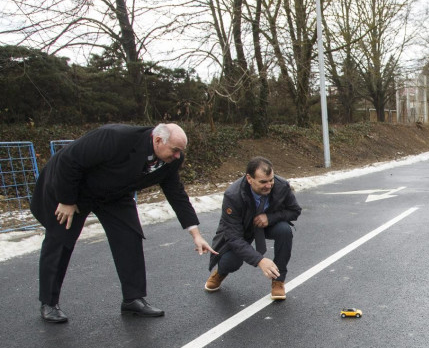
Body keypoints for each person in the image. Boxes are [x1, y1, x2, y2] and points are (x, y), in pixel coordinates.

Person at [30, 123, 215, 323]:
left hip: (114, 193)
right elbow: (69, 160)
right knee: (60, 239)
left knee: (129, 236)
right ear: (158, 140)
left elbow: (176, 193)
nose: (178, 156)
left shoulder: (171, 160)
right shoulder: (115, 138)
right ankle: (49, 303)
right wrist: (66, 200)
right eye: (175, 150)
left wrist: (195, 234)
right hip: (74, 187)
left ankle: (133, 299)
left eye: (181, 151)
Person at [204, 157, 301, 300]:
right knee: (232, 261)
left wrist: (270, 218)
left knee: (284, 230)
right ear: (249, 179)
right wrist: (260, 260)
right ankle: (221, 272)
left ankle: (278, 280)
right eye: (263, 182)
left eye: (271, 180)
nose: (268, 186)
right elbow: (233, 238)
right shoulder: (233, 196)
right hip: (241, 229)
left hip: (266, 225)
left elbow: (294, 211)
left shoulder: (282, 186)